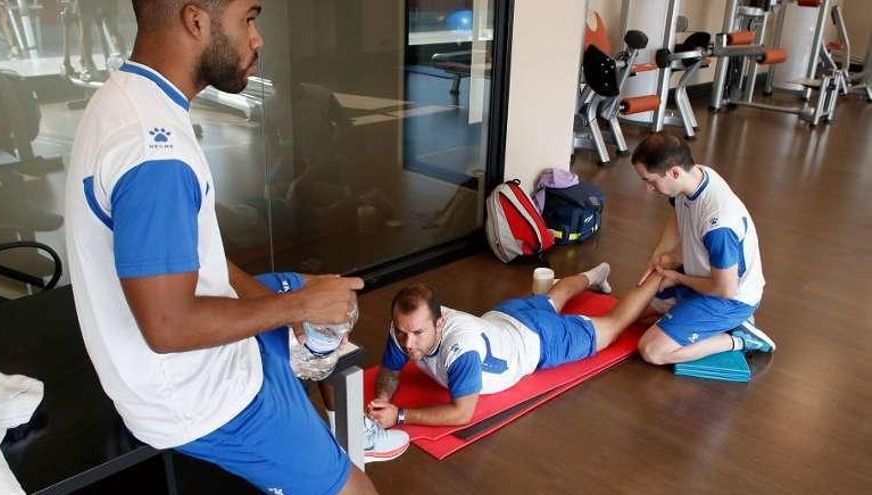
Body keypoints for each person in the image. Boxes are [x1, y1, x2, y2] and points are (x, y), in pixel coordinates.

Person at [64, 1, 391, 493]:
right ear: (196, 21)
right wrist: (293, 308)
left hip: (187, 362)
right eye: (249, 18)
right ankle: (308, 443)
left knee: (319, 297)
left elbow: (199, 258)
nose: (257, 39)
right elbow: (168, 326)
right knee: (358, 490)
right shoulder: (156, 156)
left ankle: (309, 413)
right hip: (197, 397)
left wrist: (284, 303)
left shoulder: (131, 97)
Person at [367, 263, 664, 427]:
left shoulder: (460, 350)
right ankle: (598, 273)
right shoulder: (404, 327)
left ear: (439, 323)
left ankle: (662, 274)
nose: (408, 343)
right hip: (504, 316)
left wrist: (400, 415)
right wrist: (383, 397)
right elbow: (390, 371)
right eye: (403, 333)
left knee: (612, 327)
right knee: (553, 298)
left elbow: (462, 414)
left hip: (538, 340)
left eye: (418, 333)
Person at [630, 131, 775, 365]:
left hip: (732, 299)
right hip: (705, 276)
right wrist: (659, 254)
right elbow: (679, 214)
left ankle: (740, 337)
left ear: (674, 172)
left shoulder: (719, 224)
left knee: (652, 350)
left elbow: (725, 290)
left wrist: (677, 277)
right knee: (635, 311)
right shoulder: (692, 177)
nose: (648, 189)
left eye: (650, 181)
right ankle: (687, 306)